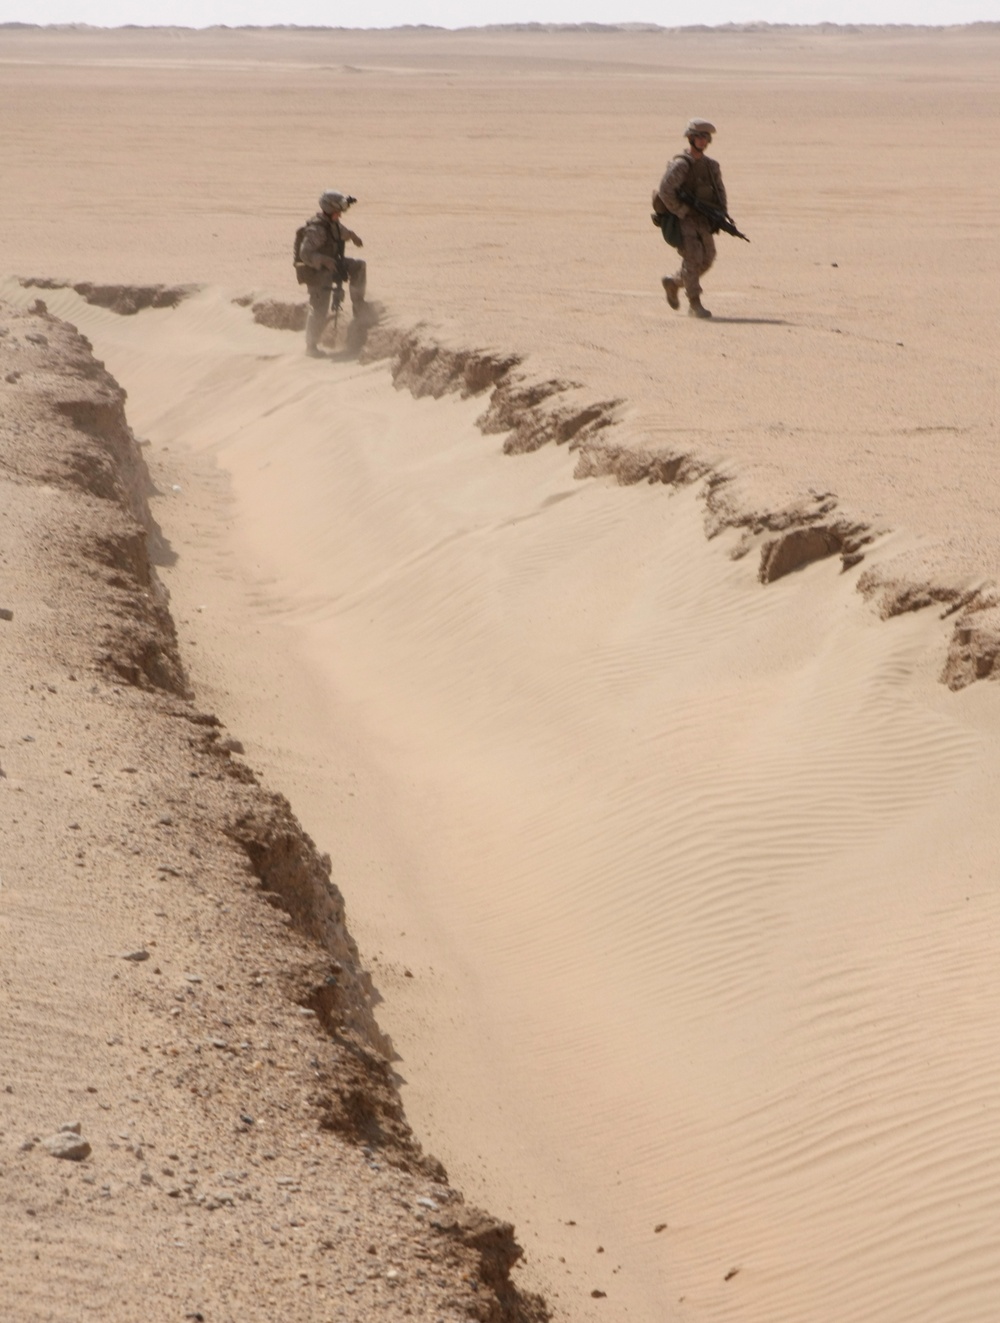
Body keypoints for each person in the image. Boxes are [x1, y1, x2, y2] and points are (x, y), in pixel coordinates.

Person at [655, 119, 727, 319]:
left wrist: (720, 215)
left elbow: (720, 192)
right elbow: (665, 190)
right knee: (693, 257)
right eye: (699, 137)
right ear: (691, 138)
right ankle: (695, 303)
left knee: (708, 257)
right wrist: (681, 210)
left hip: (703, 218)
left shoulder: (711, 166)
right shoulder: (681, 165)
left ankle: (674, 282)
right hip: (684, 219)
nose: (702, 141)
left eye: (705, 138)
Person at [298, 190, 367, 357]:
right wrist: (323, 260)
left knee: (358, 266)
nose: (340, 214)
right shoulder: (317, 229)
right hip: (317, 272)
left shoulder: (332, 224)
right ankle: (311, 346)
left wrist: (353, 236)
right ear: (329, 210)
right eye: (338, 211)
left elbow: (342, 232)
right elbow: (305, 254)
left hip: (333, 265)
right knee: (320, 308)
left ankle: (359, 304)